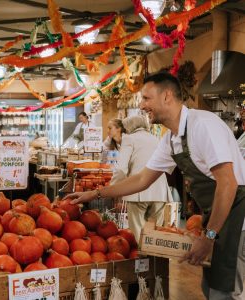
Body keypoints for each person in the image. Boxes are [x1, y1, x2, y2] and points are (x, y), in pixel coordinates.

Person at [65, 72, 245, 299]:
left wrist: (209, 236)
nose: (141, 105)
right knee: (211, 289)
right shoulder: (172, 139)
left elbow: (228, 183)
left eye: (146, 98)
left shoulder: (203, 126)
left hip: (238, 219)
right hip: (219, 219)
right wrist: (96, 193)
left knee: (225, 292)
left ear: (167, 96)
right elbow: (142, 179)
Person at [111, 115, 173, 240]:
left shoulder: (129, 138)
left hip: (137, 192)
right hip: (160, 192)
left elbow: (121, 169)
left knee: (138, 235)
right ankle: (154, 259)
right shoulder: (156, 138)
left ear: (128, 127)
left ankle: (141, 259)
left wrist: (112, 188)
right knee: (155, 236)